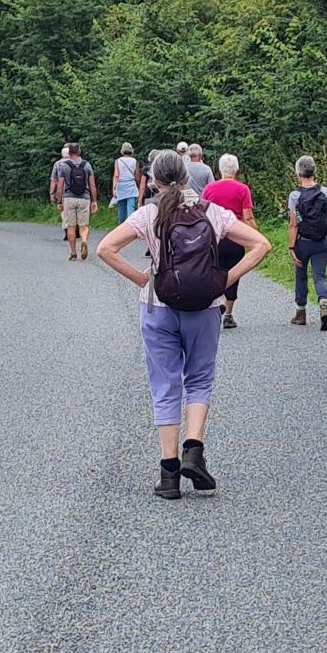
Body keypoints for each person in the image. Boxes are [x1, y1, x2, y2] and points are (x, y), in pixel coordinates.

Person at [97, 150, 272, 499]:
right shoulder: (213, 213)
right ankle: (194, 448)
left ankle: (169, 474)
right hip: (205, 307)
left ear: (156, 182)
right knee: (200, 379)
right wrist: (224, 280)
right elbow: (261, 244)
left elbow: (105, 248)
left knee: (165, 386)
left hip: (158, 308)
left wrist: (143, 279)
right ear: (188, 176)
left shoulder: (149, 214)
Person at [202, 153, 257, 329]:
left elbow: (202, 214)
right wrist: (253, 237)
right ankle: (229, 314)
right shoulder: (242, 189)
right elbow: (247, 217)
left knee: (215, 271)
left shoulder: (209, 189)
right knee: (234, 274)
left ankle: (214, 305)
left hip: (215, 238)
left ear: (219, 170)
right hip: (236, 237)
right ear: (237, 170)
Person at [288, 155, 327, 331]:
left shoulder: (295, 195)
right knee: (319, 276)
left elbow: (294, 224)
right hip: (321, 241)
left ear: (298, 173)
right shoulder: (325, 192)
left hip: (302, 242)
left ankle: (300, 313)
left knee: (301, 274)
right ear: (314, 171)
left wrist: (292, 246)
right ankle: (323, 302)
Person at [57, 142, 97, 261]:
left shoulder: (64, 166)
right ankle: (84, 241)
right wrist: (94, 200)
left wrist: (60, 201)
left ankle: (73, 253)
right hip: (84, 198)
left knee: (71, 226)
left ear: (69, 153)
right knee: (84, 225)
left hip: (69, 197)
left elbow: (60, 186)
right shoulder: (87, 165)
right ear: (79, 152)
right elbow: (92, 185)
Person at [111, 142, 143, 224]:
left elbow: (116, 175)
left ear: (122, 150)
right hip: (131, 184)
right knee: (131, 207)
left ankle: (121, 224)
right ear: (131, 150)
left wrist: (114, 188)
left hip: (121, 185)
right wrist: (138, 186)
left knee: (121, 207)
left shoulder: (118, 161)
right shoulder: (135, 161)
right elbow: (137, 176)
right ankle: (131, 225)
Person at [50, 145, 71, 240]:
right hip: (76, 190)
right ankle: (76, 228)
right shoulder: (77, 162)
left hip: (62, 190)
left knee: (63, 210)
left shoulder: (57, 164)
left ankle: (67, 229)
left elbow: (54, 180)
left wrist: (52, 193)